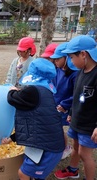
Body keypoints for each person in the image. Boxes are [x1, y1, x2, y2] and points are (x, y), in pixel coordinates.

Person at [2, 58, 65, 180]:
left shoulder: (32, 91)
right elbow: (35, 124)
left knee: (23, 174)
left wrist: (11, 91)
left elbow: (11, 99)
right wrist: (12, 138)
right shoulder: (46, 91)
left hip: (47, 149)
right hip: (47, 144)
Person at [54, 35, 97, 179]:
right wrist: (71, 111)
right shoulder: (80, 73)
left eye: (72, 57)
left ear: (83, 54)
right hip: (77, 120)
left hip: (89, 125)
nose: (71, 61)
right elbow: (77, 96)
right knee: (76, 147)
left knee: (85, 155)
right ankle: (73, 169)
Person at [50, 42, 79, 159]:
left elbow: (76, 93)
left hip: (66, 106)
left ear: (66, 58)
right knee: (57, 127)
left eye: (58, 59)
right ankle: (59, 146)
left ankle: (66, 148)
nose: (55, 61)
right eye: (54, 59)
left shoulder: (75, 74)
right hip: (56, 104)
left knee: (62, 128)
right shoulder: (57, 70)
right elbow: (53, 85)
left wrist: (65, 104)